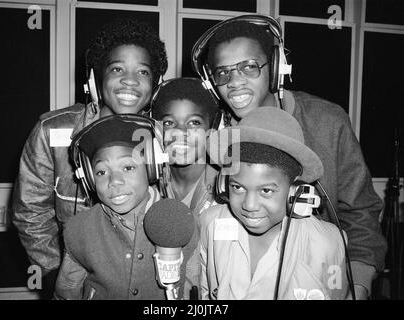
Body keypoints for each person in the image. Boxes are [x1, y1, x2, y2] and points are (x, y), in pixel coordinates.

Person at [192, 14, 386, 299]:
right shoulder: (217, 140)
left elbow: (361, 215)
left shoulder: (326, 122)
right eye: (223, 73)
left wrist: (354, 288)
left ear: (275, 68)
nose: (234, 82)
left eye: (248, 67)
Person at [12, 19, 168, 298]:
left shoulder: (161, 138)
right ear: (96, 79)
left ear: (154, 86)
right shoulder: (53, 130)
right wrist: (55, 270)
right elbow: (30, 211)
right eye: (117, 68)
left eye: (142, 72)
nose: (130, 80)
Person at [200, 106, 349, 300]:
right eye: (238, 187)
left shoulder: (328, 244)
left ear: (295, 190)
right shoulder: (210, 224)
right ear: (223, 185)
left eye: (266, 191)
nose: (250, 205)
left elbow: (337, 293)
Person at [54, 115, 194, 299]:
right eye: (102, 172)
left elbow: (195, 285)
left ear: (152, 167)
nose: (114, 181)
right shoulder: (78, 230)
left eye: (128, 168)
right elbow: (66, 293)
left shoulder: (181, 221)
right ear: (89, 178)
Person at [151, 77, 220, 298]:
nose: (181, 132)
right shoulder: (146, 188)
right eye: (170, 123)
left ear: (210, 131)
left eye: (194, 123)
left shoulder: (228, 190)